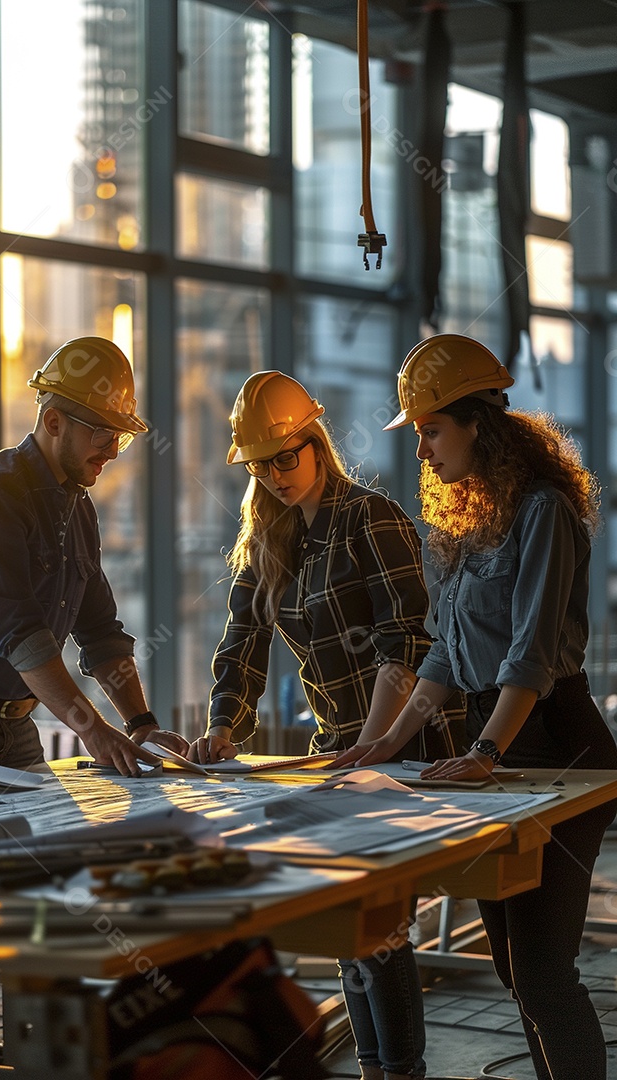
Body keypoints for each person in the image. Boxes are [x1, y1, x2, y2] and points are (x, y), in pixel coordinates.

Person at [334, 333, 617, 1080]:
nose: (421, 449)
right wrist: (388, 742)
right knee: (512, 967)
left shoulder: (543, 511)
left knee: (543, 970)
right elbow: (445, 657)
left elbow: (530, 654)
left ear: (478, 424)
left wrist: (487, 751)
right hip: (496, 742)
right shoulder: (470, 520)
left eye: (431, 429)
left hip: (558, 745)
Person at [0, 336, 188, 1061]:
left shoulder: (75, 510)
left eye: (121, 435)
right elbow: (19, 634)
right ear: (52, 421)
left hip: (10, 722)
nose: (113, 449)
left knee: (45, 877)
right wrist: (93, 730)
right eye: (102, 432)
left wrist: (141, 723)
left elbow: (101, 632)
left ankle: (41, 1041)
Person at [189, 370, 462, 1080]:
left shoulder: (370, 517)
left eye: (287, 457)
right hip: (339, 749)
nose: (275, 475)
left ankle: (398, 1072)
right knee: (351, 926)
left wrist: (375, 746)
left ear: (316, 443)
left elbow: (408, 642)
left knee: (381, 929)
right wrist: (223, 729)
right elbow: (241, 645)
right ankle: (375, 1069)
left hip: (404, 744)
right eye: (260, 465)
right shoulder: (267, 539)